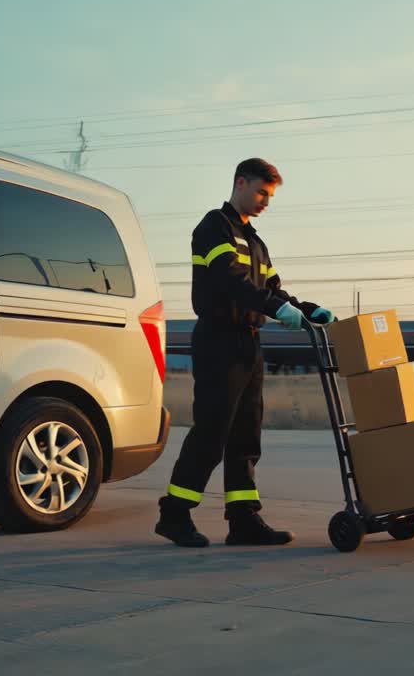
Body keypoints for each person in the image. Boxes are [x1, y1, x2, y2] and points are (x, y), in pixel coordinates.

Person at [155, 158, 335, 548]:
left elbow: (272, 290)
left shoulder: (256, 242)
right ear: (240, 182)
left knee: (246, 434)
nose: (265, 202)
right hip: (219, 338)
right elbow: (228, 279)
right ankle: (174, 513)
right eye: (261, 193)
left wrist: (303, 308)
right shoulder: (214, 227)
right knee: (212, 432)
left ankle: (243, 520)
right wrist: (275, 309)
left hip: (249, 341)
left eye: (270, 197)